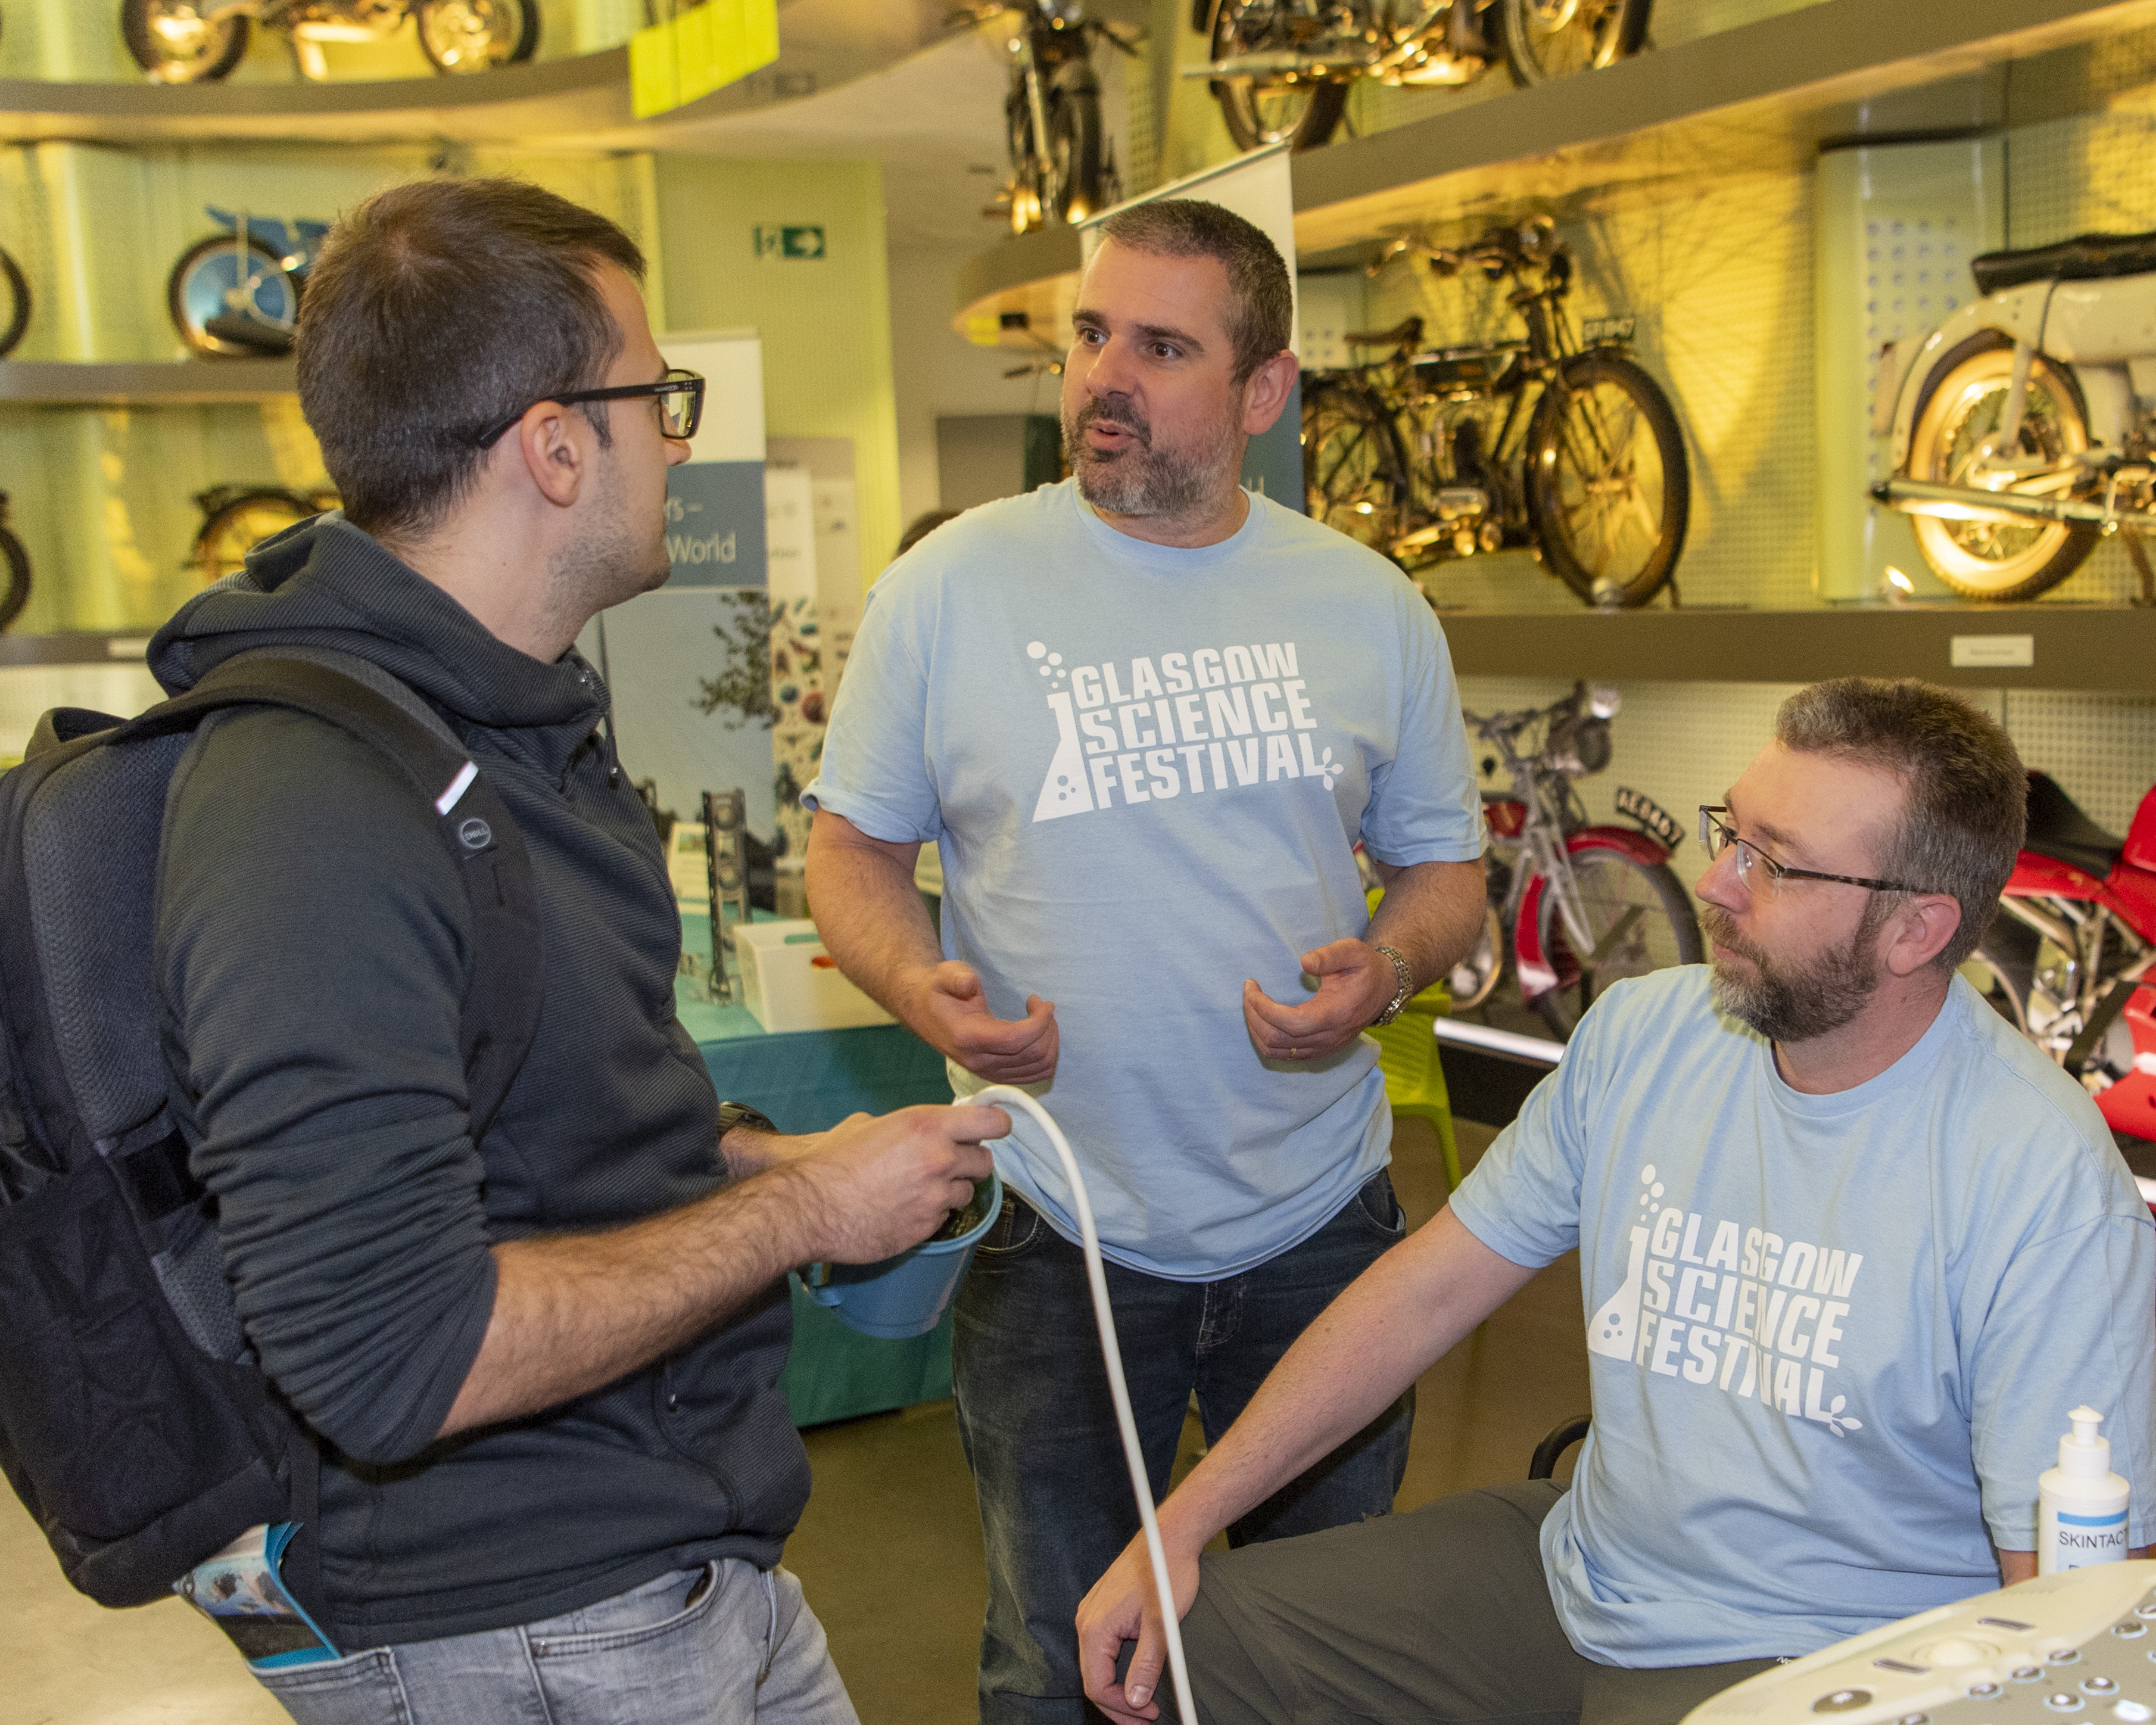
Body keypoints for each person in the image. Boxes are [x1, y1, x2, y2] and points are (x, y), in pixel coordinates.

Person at [149, 176, 1008, 1724]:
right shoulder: (313, 807)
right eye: (654, 397)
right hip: (519, 1629)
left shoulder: (508, 734)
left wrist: (767, 1162)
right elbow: (394, 1357)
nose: (679, 440)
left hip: (682, 1562)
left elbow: (547, 1126)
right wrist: (805, 1209)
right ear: (553, 446)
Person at [1075, 675, 2156, 1725]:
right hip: (1579, 1566)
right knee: (1182, 1655)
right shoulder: (1647, 1035)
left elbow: (2067, 1609)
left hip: (1818, 1654)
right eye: (1728, 833)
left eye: (1774, 865)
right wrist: (1181, 1522)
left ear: (1918, 930)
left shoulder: (2038, 1185)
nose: (1719, 884)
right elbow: (1425, 1293)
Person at [801, 198, 1489, 1723]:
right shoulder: (947, 589)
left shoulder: (1369, 607)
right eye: (1091, 335)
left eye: (1161, 346)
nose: (1104, 375)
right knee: (1055, 1660)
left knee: (1326, 1652)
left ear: (1263, 393)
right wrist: (919, 986)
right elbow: (848, 855)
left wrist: (1382, 971)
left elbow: (1447, 871)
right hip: (1056, 1227)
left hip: (1319, 1222)